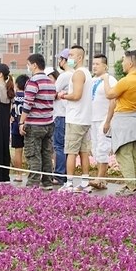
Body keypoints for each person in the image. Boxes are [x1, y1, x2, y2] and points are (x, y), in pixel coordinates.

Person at [104, 50, 136, 197]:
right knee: (134, 154)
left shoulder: (127, 80)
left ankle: (131, 187)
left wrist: (105, 79)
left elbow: (109, 94)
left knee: (124, 154)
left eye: (123, 61)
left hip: (123, 121)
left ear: (130, 63)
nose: (122, 64)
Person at [56, 45, 93, 194]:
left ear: (79, 57)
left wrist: (63, 95)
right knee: (83, 151)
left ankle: (69, 182)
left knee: (71, 151)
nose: (68, 58)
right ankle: (85, 182)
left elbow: (76, 95)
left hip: (75, 118)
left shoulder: (78, 74)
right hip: (84, 118)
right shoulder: (87, 73)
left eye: (71, 55)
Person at [19, 54, 57, 190]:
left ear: (34, 65)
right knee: (46, 154)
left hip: (34, 124)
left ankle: (33, 185)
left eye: (29, 64)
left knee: (33, 154)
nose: (28, 67)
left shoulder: (33, 81)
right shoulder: (50, 81)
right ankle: (47, 182)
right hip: (48, 123)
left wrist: (21, 122)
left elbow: (27, 103)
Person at [88, 53, 118, 190]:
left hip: (104, 119)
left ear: (105, 66)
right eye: (93, 64)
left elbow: (113, 100)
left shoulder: (111, 80)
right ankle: (100, 179)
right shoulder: (93, 80)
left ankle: (100, 178)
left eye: (97, 64)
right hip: (92, 119)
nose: (94, 66)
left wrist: (108, 120)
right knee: (95, 149)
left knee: (102, 148)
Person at [51, 48, 72, 185]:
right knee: (67, 147)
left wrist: (57, 95)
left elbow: (53, 93)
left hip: (60, 115)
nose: (59, 61)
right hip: (70, 115)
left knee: (58, 146)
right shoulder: (77, 74)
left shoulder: (64, 76)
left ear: (64, 60)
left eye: (60, 59)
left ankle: (59, 175)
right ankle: (65, 174)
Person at [10, 74, 28, 182]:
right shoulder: (29, 96)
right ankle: (35, 175)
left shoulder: (14, 97)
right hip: (28, 125)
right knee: (32, 152)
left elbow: (11, 112)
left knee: (18, 151)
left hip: (16, 126)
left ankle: (19, 175)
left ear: (16, 84)